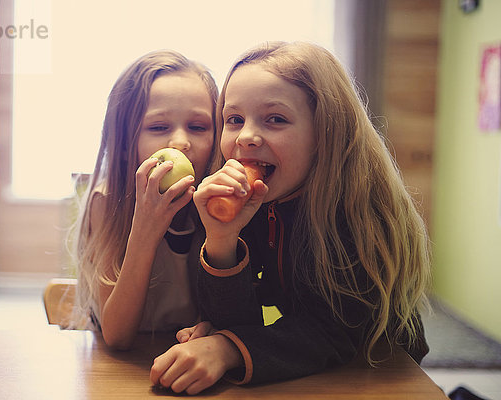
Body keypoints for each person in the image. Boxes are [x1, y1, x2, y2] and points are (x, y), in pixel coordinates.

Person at [150, 41, 431, 394]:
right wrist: (222, 240)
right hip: (314, 376)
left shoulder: (358, 213)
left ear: (325, 132)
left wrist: (228, 348)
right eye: (234, 119)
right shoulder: (258, 203)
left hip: (382, 373)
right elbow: (240, 317)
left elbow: (334, 334)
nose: (247, 137)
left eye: (275, 119)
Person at [71, 50, 219, 350]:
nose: (180, 141)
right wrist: (145, 228)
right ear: (126, 145)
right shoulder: (107, 202)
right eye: (159, 127)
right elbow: (118, 336)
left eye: (198, 127)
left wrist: (213, 326)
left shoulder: (221, 203)